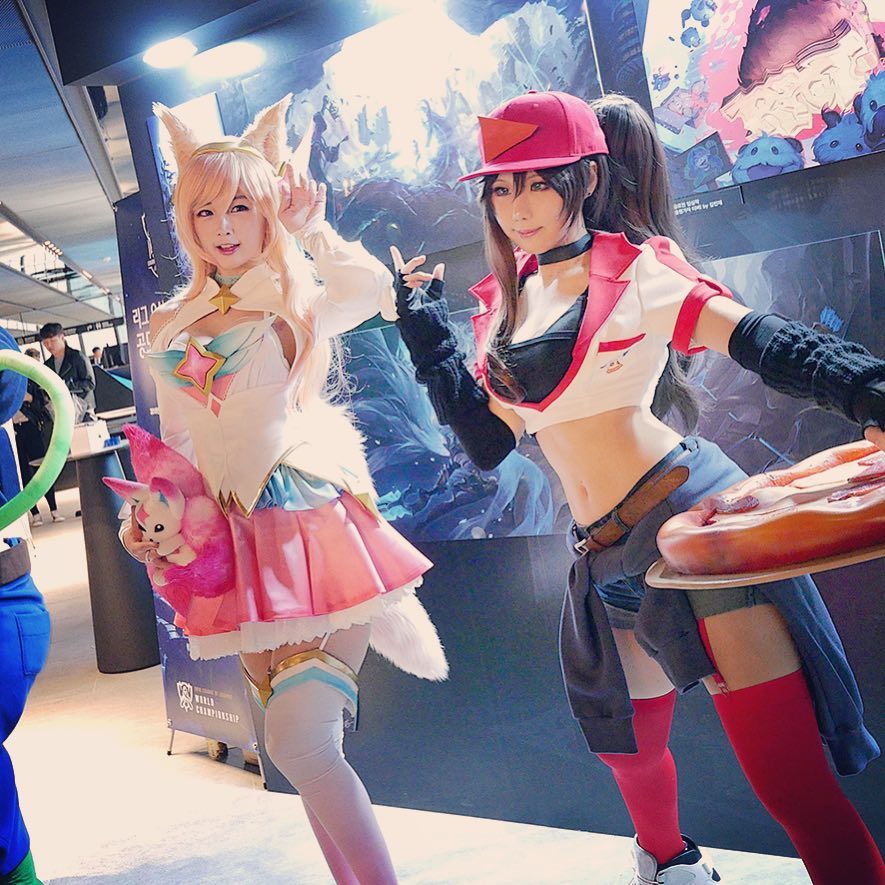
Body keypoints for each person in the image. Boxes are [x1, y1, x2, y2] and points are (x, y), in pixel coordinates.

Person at [392, 91, 885, 884]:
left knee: (788, 780)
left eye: (538, 182)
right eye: (502, 187)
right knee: (628, 747)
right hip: (602, 552)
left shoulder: (637, 272)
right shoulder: (505, 304)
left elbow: (759, 339)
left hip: (690, 527)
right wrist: (424, 337)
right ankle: (670, 864)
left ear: (585, 178)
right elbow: (489, 441)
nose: (518, 205)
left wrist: (866, 390)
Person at [120, 96, 447, 885]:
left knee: (300, 742)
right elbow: (178, 446)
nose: (223, 226)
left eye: (240, 204)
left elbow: (370, 289)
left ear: (267, 206)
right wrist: (149, 516)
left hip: (311, 524)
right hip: (233, 544)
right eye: (204, 210)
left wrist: (312, 230)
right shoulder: (172, 323)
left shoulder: (296, 291)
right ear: (185, 220)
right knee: (296, 751)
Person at [12, 349, 64, 525]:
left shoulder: (29, 381)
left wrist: (29, 398)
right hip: (14, 432)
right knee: (23, 472)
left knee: (42, 467)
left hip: (31, 427)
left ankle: (54, 509)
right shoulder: (6, 384)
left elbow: (40, 403)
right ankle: (35, 513)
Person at [38, 323, 95, 422]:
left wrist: (65, 386)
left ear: (62, 337)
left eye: (53, 341)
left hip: (83, 410)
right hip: (60, 413)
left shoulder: (77, 357)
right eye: (45, 343)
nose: (49, 345)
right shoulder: (47, 365)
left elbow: (90, 383)